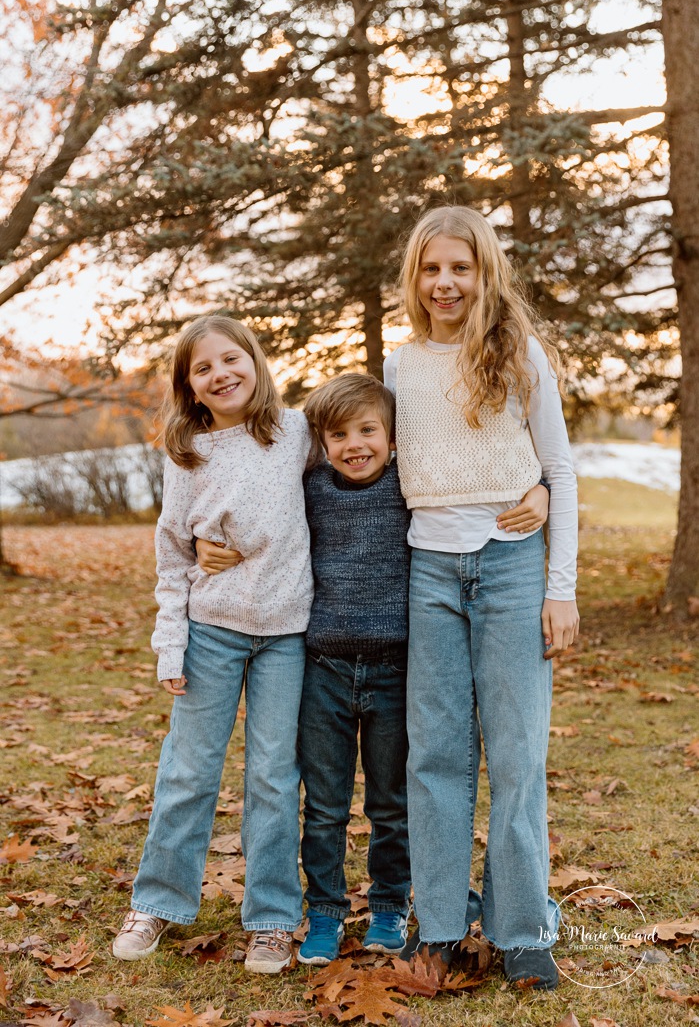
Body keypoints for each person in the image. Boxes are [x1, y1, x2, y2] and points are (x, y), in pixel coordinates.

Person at [198, 373, 550, 968]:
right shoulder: (307, 486)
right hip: (323, 670)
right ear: (319, 443)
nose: (354, 444)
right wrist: (200, 540)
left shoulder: (410, 485)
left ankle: (390, 904)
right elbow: (249, 503)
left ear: (393, 437)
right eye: (338, 434)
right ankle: (327, 912)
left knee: (391, 803)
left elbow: (473, 473)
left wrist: (539, 485)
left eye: (368, 430)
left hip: (395, 672)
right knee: (326, 803)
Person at [384, 205, 579, 989]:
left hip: (509, 567)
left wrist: (558, 589)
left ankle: (522, 927)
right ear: (414, 277)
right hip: (429, 571)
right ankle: (435, 924)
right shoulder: (401, 366)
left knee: (517, 751)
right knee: (434, 753)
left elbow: (558, 472)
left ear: (484, 273)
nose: (444, 283)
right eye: (431, 269)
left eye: (459, 268)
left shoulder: (520, 355)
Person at [111, 315, 314, 975]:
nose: (221, 374)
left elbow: (362, 459)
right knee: (188, 772)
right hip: (213, 632)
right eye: (203, 368)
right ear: (190, 387)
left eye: (232, 359)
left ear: (255, 363)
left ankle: (273, 920)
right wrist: (170, 646)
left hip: (286, 635)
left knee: (273, 779)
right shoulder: (189, 453)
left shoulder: (296, 432)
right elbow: (173, 556)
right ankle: (157, 902)